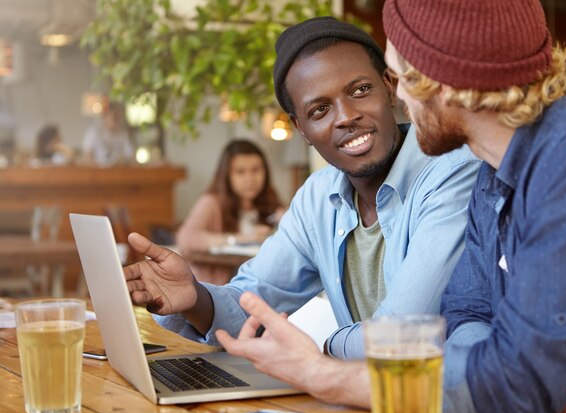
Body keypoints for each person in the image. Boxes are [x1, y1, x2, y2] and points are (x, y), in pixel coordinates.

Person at [213, 3, 566, 413]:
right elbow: (466, 323)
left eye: (402, 77)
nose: (403, 97)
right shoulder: (491, 180)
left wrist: (321, 372)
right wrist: (515, 386)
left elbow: (522, 380)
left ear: (442, 79)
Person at [124, 17, 480, 360]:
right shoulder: (318, 198)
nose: (345, 116)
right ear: (302, 130)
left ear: (389, 87)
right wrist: (195, 299)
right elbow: (253, 302)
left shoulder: (451, 173)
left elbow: (403, 334)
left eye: (360, 90)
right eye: (320, 109)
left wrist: (319, 350)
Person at [176, 139, 284, 285]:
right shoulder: (211, 202)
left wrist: (285, 223)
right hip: (221, 289)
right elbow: (186, 239)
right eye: (240, 172)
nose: (250, 179)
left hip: (262, 288)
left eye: (256, 170)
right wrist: (241, 238)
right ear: (227, 175)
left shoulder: (271, 201)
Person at [82, 101, 134, 166]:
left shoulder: (123, 133)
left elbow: (130, 156)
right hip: (98, 172)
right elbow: (87, 155)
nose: (116, 119)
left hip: (118, 172)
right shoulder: (94, 131)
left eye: (118, 116)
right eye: (113, 116)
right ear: (105, 116)